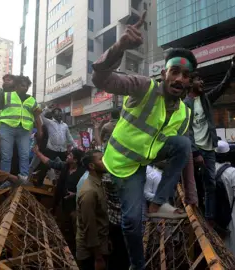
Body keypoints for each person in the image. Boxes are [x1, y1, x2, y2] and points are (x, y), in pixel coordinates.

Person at [91, 11, 196, 269]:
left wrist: (191, 193)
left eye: (185, 75)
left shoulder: (185, 112)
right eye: (175, 71)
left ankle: (157, 204)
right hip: (122, 164)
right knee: (132, 222)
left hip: (147, 157)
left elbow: (183, 152)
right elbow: (101, 79)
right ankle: (137, 266)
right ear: (164, 73)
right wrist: (120, 46)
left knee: (184, 144)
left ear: (190, 81)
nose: (179, 79)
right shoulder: (143, 86)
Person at [184, 54, 235, 225]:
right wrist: (194, 152)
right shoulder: (185, 104)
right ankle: (192, 215)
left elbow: (223, 86)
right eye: (198, 80)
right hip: (193, 150)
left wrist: (233, 68)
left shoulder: (206, 99)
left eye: (202, 80)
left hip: (208, 148)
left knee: (211, 184)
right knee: (191, 183)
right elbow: (186, 130)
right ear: (191, 83)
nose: (202, 83)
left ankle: (209, 218)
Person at [32, 145, 85, 253]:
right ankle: (67, 248)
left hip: (76, 206)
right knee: (64, 225)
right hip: (64, 203)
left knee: (76, 226)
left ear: (75, 160)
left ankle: (78, 250)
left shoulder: (82, 172)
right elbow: (50, 163)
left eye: (70, 155)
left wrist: (75, 194)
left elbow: (86, 189)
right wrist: (38, 153)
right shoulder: (65, 166)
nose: (67, 155)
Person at [0, 76, 43, 186]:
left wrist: (40, 130)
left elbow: (37, 116)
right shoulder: (5, 95)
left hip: (24, 130)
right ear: (15, 85)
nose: (25, 87)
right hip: (7, 128)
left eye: (27, 85)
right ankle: (5, 180)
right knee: (6, 156)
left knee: (25, 155)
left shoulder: (31, 100)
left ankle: (24, 179)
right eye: (22, 85)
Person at [76, 150, 109, 270]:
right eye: (101, 159)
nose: (106, 161)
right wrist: (98, 257)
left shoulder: (98, 183)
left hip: (100, 244)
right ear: (91, 166)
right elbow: (90, 227)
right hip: (91, 252)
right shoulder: (89, 191)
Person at [214, 140, 235, 264]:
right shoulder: (233, 173)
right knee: (232, 247)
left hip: (213, 216)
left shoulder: (208, 170)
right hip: (231, 216)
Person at [35, 106, 77, 186]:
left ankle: (65, 183)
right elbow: (40, 116)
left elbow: (69, 137)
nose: (59, 116)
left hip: (63, 150)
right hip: (51, 149)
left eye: (60, 114)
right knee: (45, 166)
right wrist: (47, 109)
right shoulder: (49, 122)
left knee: (66, 167)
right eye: (57, 114)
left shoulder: (65, 125)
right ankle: (39, 184)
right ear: (53, 115)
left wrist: (75, 146)